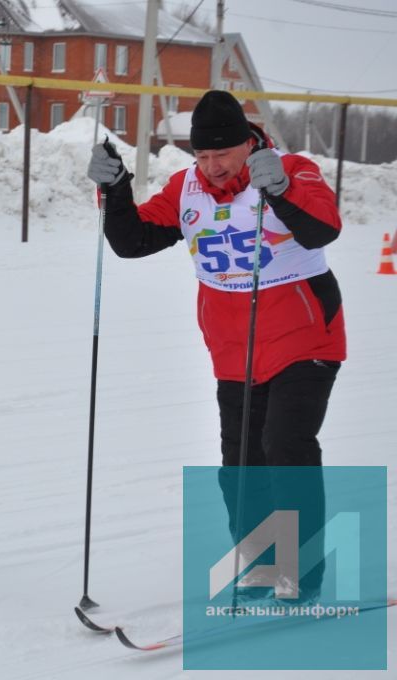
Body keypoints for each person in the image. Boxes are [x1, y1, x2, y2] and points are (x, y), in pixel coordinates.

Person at [86, 90, 345, 602]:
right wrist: (117, 192)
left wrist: (282, 191)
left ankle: (300, 573)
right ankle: (260, 564)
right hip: (234, 349)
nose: (212, 166)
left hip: (304, 336)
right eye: (202, 156)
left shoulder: (292, 168)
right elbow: (132, 241)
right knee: (241, 462)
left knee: (285, 448)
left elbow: (323, 231)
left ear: (249, 144)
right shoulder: (187, 188)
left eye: (222, 155)